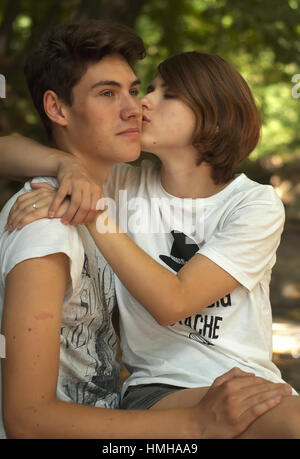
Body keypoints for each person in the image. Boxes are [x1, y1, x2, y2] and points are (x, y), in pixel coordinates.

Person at [0, 23, 294, 439]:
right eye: (111, 93)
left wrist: (89, 200)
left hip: (249, 378)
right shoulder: (113, 188)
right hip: (162, 391)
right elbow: (5, 148)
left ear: (213, 115)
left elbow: (174, 300)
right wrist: (67, 168)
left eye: (153, 93)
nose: (140, 106)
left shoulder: (252, 203)